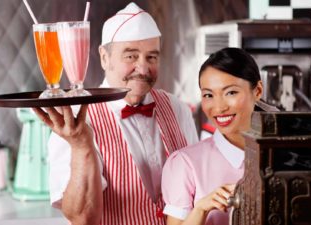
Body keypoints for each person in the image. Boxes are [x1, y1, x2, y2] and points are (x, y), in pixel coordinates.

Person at [33, 2, 198, 225]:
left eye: (152, 57)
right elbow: (83, 219)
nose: (143, 68)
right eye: (131, 56)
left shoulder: (177, 108)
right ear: (104, 57)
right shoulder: (74, 120)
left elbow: (197, 189)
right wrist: (82, 146)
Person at [161, 47, 264, 225]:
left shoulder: (283, 155)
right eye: (209, 95)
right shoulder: (185, 164)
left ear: (258, 91)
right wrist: (201, 209)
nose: (219, 107)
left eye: (231, 92)